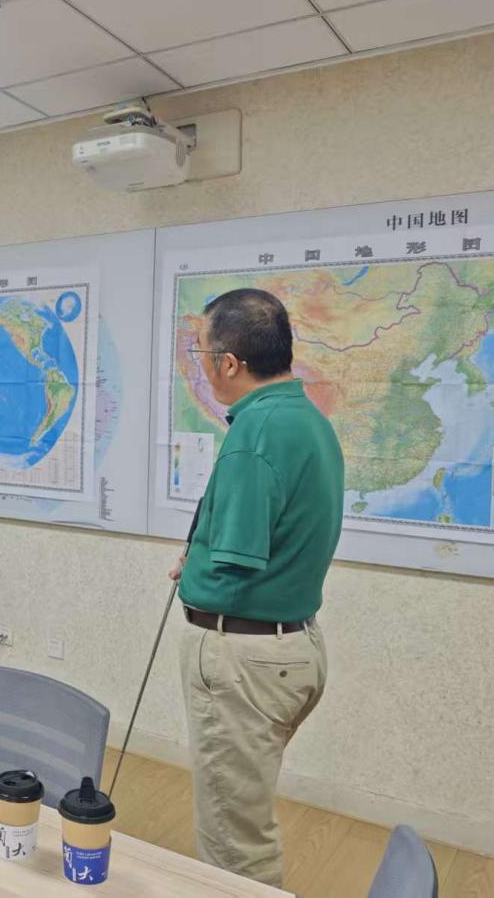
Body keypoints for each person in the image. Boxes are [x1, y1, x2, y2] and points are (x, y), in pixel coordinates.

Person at [168, 288, 344, 886]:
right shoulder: (304, 418)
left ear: (229, 363)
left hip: (244, 658)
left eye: (201, 353)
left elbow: (234, 565)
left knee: (234, 840)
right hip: (292, 648)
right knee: (243, 812)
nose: (201, 365)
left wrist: (194, 568)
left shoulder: (255, 433)